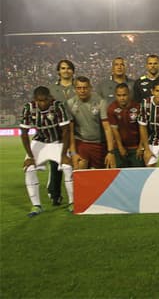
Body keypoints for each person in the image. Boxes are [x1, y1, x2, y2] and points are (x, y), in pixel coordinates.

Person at [20, 86, 73, 216]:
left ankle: (73, 202)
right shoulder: (29, 108)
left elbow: (66, 130)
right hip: (39, 141)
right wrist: (30, 156)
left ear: (49, 98)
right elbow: (24, 133)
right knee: (29, 168)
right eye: (40, 101)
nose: (43, 103)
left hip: (57, 141)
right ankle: (36, 206)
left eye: (45, 100)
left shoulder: (57, 106)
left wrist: (63, 155)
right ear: (35, 100)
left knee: (67, 166)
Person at [66, 76, 115, 169]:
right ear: (75, 89)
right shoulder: (70, 103)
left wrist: (110, 152)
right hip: (81, 142)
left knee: (102, 174)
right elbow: (70, 131)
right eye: (79, 88)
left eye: (85, 88)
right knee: (80, 166)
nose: (82, 90)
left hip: (99, 144)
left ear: (90, 88)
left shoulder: (100, 102)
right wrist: (73, 153)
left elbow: (107, 128)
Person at [46, 59, 75, 206]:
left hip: (77, 130)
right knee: (55, 164)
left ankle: (78, 194)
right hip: (57, 132)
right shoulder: (51, 90)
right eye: (63, 68)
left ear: (73, 71)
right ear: (58, 71)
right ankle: (55, 194)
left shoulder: (79, 86)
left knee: (75, 163)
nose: (66, 71)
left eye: (69, 68)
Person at [107, 83, 145, 167]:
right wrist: (120, 147)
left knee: (138, 174)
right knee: (121, 175)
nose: (122, 98)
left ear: (129, 94)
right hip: (119, 147)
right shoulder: (111, 108)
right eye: (119, 95)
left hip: (136, 147)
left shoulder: (138, 107)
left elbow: (142, 128)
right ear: (115, 95)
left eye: (124, 95)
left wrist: (141, 146)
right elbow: (114, 130)